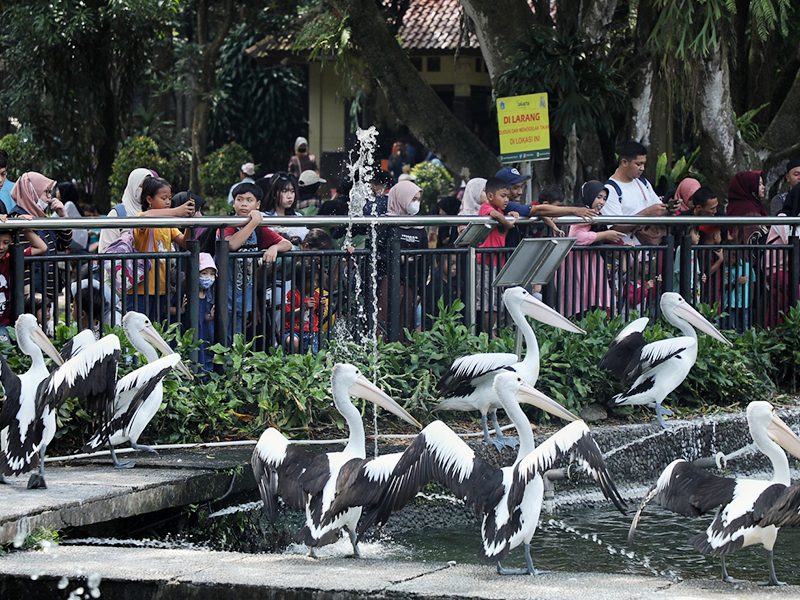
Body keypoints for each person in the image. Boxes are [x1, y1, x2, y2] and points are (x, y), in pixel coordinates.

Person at [221, 182, 292, 342]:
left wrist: (274, 248)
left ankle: (234, 364)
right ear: (234, 203)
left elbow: (287, 244)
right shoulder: (227, 224)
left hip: (244, 293)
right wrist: (254, 221)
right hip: (224, 292)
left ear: (258, 204)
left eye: (249, 200)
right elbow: (231, 244)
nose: (244, 203)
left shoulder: (258, 229)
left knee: (237, 334)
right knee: (223, 333)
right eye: (239, 199)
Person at [130, 176, 195, 319]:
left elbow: (185, 242)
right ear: (149, 200)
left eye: (169, 198)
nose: (168, 202)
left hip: (160, 289)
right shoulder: (141, 216)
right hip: (140, 290)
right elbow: (144, 218)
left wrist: (189, 223)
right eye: (164, 198)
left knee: (156, 330)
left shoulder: (168, 223)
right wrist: (177, 211)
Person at [559, 181, 626, 317]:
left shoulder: (591, 214)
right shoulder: (582, 214)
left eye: (604, 199)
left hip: (588, 266)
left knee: (590, 303)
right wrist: (605, 234)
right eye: (599, 197)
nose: (602, 202)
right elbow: (576, 237)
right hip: (578, 266)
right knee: (582, 303)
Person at [10, 172, 73, 311]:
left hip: (45, 292)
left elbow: (64, 244)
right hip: (30, 297)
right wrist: (29, 294)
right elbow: (20, 258)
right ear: (32, 192)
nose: (50, 197)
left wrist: (64, 217)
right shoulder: (18, 219)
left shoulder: (41, 218)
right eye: (46, 192)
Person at [376, 180, 428, 338]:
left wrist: (421, 288)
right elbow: (377, 253)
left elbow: (424, 260)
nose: (416, 204)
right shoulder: (387, 223)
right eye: (413, 199)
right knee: (384, 322)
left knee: (406, 325)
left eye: (418, 200)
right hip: (389, 280)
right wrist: (398, 260)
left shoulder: (419, 227)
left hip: (411, 283)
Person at [600, 141, 672, 245]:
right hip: (628, 252)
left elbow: (658, 210)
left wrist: (669, 209)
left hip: (650, 250)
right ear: (624, 162)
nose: (642, 168)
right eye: (638, 164)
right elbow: (614, 227)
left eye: (643, 164)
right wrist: (646, 213)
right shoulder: (610, 189)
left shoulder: (643, 182)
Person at [476, 177, 518, 336]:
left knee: (495, 300)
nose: (507, 199)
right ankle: (488, 334)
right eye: (503, 196)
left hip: (496, 261)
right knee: (488, 300)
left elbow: (501, 233)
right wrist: (507, 222)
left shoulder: (502, 212)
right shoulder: (486, 207)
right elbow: (496, 216)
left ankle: (491, 331)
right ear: (490, 196)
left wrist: (510, 217)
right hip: (486, 261)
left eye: (508, 196)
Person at [0, 214, 47, 340]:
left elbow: (41, 247)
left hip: (3, 323)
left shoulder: (11, 260)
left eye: (6, 243)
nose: (1, 247)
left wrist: (22, 226)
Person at [99, 168, 152, 253]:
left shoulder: (154, 213)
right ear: (132, 186)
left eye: (148, 188)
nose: (145, 191)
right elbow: (104, 250)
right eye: (141, 186)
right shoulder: (117, 214)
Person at [284, 262, 323, 354]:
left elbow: (319, 315)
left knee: (313, 353)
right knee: (294, 342)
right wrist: (304, 307)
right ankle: (293, 362)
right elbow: (289, 315)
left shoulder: (316, 295)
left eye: (317, 281)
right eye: (311, 281)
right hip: (293, 330)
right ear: (300, 280)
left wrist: (321, 306)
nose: (314, 284)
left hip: (310, 331)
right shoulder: (292, 294)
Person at [262, 172, 309, 242]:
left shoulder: (298, 217)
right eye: (284, 191)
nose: (289, 196)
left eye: (292, 191)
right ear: (274, 194)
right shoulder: (264, 217)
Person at [720, 240, 754, 332]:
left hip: (745, 304)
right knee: (730, 328)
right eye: (731, 254)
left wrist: (751, 301)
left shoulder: (746, 266)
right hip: (729, 305)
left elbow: (752, 284)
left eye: (735, 254)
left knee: (745, 328)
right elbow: (720, 286)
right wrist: (736, 282)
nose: (734, 257)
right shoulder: (721, 269)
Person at [726, 170, 766, 244]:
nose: (763, 187)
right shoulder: (749, 209)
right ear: (750, 186)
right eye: (759, 184)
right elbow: (753, 238)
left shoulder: (736, 204)